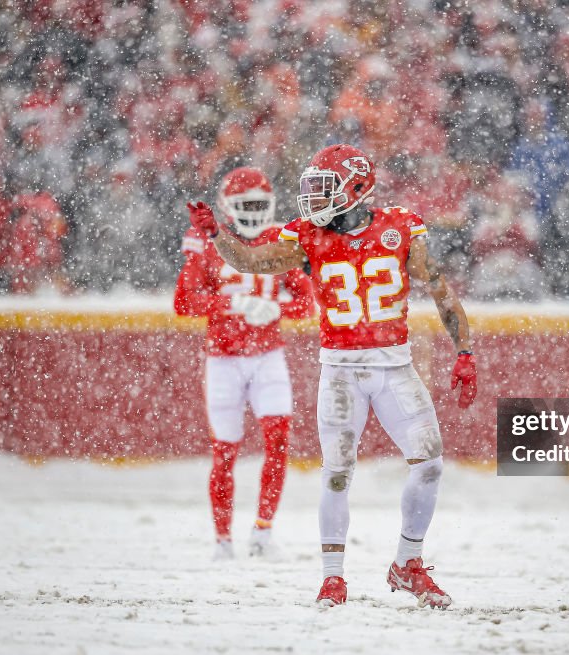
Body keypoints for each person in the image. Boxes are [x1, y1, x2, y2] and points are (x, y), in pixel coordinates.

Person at [186, 144, 477, 609]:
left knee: (430, 464)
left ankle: (407, 564)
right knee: (337, 474)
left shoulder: (400, 226)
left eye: (324, 190)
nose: (314, 201)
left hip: (394, 364)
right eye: (311, 190)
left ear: (358, 188)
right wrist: (219, 237)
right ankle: (332, 578)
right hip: (341, 368)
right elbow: (250, 261)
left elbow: (439, 288)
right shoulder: (307, 236)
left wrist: (464, 350)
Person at [173, 167, 314, 560]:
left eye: (258, 204)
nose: (253, 212)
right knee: (225, 452)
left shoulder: (282, 241)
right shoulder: (207, 242)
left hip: (268, 355)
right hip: (223, 360)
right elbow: (183, 303)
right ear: (227, 207)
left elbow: (306, 304)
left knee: (278, 443)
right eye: (246, 204)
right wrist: (231, 303)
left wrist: (275, 306)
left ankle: (263, 533)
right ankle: (222, 540)